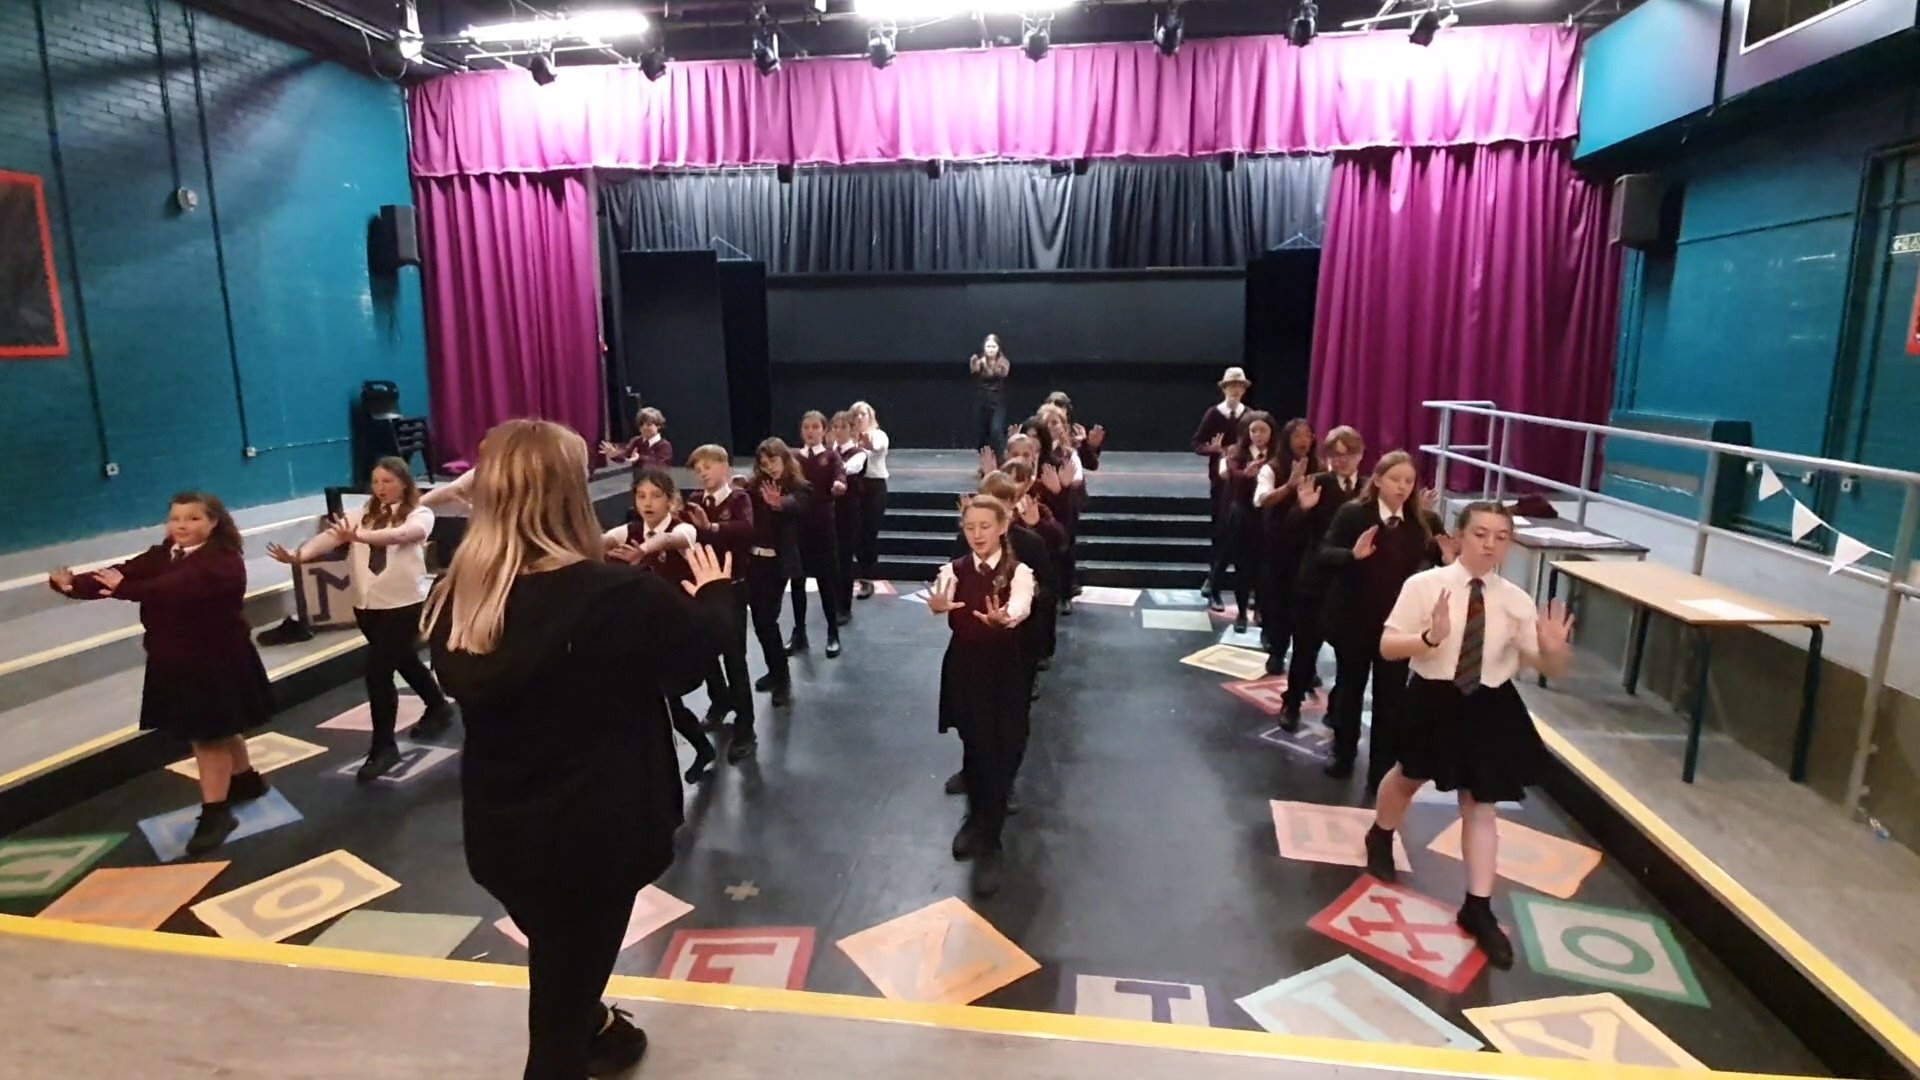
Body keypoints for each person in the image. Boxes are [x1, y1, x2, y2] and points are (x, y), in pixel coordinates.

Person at [424, 419, 735, 1080]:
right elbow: (688, 668)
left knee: (563, 963)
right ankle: (584, 1031)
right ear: (569, 495)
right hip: (599, 835)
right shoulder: (618, 598)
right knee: (553, 1039)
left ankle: (597, 1026)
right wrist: (714, 598)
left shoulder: (460, 595)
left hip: (503, 835)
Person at [1365, 502, 1575, 968]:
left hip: (1488, 705)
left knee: (1480, 806)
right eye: (1481, 533)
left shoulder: (1516, 600)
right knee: (1406, 778)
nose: (1490, 544)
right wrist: (1430, 639)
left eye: (1501, 537)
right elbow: (1388, 645)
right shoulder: (1425, 587)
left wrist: (1554, 653)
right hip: (1431, 698)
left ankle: (1477, 907)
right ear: (1460, 537)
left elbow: (1545, 666)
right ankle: (1380, 834)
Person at [50, 492, 273, 856]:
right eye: (176, 518)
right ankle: (245, 780)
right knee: (221, 724)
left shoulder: (222, 562)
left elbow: (172, 590)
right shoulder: (165, 553)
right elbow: (123, 572)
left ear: (213, 522)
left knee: (208, 736)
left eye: (192, 519)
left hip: (214, 660)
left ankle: (216, 812)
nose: (182, 526)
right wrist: (74, 584)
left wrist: (125, 590)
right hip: (176, 658)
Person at [268, 457, 456, 781]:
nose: (381, 488)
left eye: (388, 481)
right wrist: (300, 556)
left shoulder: (419, 513)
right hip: (367, 606)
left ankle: (383, 747)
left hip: (403, 605)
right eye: (376, 481)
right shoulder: (360, 516)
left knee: (378, 672)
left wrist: (359, 538)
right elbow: (332, 536)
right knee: (404, 660)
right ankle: (438, 705)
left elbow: (406, 535)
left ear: (404, 483)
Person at [1314, 450, 1451, 794]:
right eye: (1395, 480)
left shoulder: (1424, 522)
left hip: (1399, 629)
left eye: (1408, 481)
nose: (1403, 487)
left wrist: (1449, 560)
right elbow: (1324, 554)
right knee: (1350, 690)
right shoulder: (1353, 514)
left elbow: (1442, 566)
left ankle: (1381, 770)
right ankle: (1343, 754)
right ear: (1377, 480)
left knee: (1390, 700)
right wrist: (1352, 556)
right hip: (1354, 621)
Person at [928, 494, 1036, 898]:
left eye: (985, 526)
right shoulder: (952, 570)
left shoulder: (1019, 572)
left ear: (1003, 526)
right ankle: (978, 824)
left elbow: (1022, 605)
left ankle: (991, 839)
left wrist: (1004, 617)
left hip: (1005, 671)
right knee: (975, 747)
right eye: (970, 527)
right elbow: (939, 599)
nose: (976, 534)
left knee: (1002, 750)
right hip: (965, 669)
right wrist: (937, 607)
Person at [604, 467, 719, 783]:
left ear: (672, 500)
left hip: (682, 628)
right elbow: (602, 540)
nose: (647, 503)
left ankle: (686, 756)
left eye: (656, 496)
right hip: (647, 632)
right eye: (641, 496)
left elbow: (670, 539)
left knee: (665, 698)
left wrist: (643, 550)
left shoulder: (686, 530)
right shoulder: (631, 529)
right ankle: (697, 749)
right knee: (660, 700)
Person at [1279, 426, 1367, 721]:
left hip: (1352, 583)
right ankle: (1291, 704)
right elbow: (1290, 529)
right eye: (1335, 455)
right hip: (1315, 580)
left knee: (1348, 656)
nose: (1341, 461)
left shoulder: (1369, 489)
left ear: (1360, 455)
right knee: (1304, 649)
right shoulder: (1316, 483)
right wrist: (1302, 509)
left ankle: (1336, 709)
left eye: (1348, 454)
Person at [684, 444, 762, 756]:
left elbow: (746, 530)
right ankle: (720, 700)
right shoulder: (694, 501)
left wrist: (711, 527)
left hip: (732, 587)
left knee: (734, 657)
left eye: (707, 465)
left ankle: (746, 726)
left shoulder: (739, 498)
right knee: (705, 652)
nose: (702, 472)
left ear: (725, 468)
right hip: (703, 589)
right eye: (697, 468)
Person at [742, 438, 808, 713]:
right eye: (764, 463)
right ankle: (775, 670)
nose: (769, 467)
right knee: (760, 623)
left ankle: (782, 679)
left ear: (784, 458)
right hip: (753, 563)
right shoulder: (755, 486)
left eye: (774, 460)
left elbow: (797, 505)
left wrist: (779, 503)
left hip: (776, 565)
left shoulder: (798, 486)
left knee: (767, 621)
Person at [1254, 419, 1322, 662]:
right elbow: (1262, 500)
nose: (1303, 441)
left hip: (1309, 547)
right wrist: (1289, 486)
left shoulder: (1320, 468)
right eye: (1297, 436)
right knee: (1279, 601)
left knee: (1307, 608)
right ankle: (1277, 651)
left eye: (1307, 435)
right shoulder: (1271, 467)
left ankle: (1306, 664)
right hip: (1279, 547)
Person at [1193, 367, 1252, 609]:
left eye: (1239, 386)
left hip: (1244, 480)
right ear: (1225, 388)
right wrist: (1215, 450)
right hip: (1221, 480)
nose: (1236, 390)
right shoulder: (1214, 414)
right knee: (1220, 529)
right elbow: (1197, 443)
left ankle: (1242, 585)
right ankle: (1212, 578)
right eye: (1232, 386)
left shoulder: (1249, 415)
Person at [789, 411, 846, 658]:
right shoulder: (793, 458)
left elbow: (840, 475)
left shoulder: (831, 457)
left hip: (823, 528)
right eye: (806, 427)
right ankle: (799, 633)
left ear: (824, 430)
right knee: (797, 581)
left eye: (815, 427)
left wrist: (839, 485)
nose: (810, 431)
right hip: (797, 528)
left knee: (826, 581)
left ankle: (833, 632)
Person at [1215, 410, 1276, 634]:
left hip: (1267, 518)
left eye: (1263, 430)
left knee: (1264, 569)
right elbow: (1231, 474)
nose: (1258, 435)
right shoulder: (1237, 452)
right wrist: (1245, 475)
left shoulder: (1277, 455)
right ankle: (1241, 612)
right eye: (1254, 430)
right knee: (1242, 567)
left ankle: (1259, 609)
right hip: (1242, 516)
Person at [850, 400, 890, 600]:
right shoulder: (848, 439)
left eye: (863, 414)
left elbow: (878, 447)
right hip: (855, 487)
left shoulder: (879, 434)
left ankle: (867, 578)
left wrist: (869, 444)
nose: (859, 418)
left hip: (874, 487)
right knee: (855, 533)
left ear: (870, 416)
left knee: (869, 532)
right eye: (856, 415)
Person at [830, 410, 866, 622]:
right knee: (831, 559)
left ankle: (844, 607)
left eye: (843, 427)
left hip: (848, 513)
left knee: (844, 559)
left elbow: (846, 470)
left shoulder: (858, 453)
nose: (839, 431)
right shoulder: (830, 452)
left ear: (851, 430)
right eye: (835, 427)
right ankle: (833, 602)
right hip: (830, 513)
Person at [969, 334, 1011, 451]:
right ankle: (985, 460)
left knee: (996, 430)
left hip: (997, 402)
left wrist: (994, 366)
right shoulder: (979, 362)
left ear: (998, 348)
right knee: (981, 434)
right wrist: (976, 363)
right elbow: (974, 371)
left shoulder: (1003, 362)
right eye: (988, 346)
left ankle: (1001, 458)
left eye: (993, 346)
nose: (991, 349)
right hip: (982, 401)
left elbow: (1003, 373)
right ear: (984, 348)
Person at [599, 406, 673, 468]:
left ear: (658, 426)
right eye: (641, 424)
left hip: (658, 481)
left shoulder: (664, 445)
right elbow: (626, 455)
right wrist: (615, 454)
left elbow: (659, 463)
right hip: (638, 481)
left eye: (649, 424)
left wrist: (639, 458)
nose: (644, 427)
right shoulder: (636, 441)